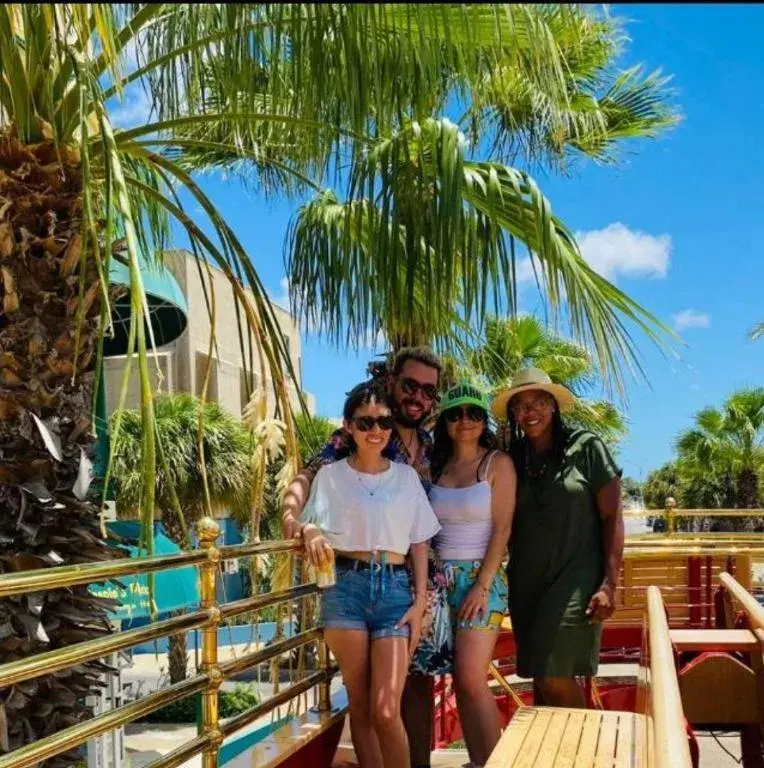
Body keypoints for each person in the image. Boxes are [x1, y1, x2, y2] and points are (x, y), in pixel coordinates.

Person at [281, 346, 451, 768]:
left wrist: (418, 599)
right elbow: (308, 483)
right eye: (410, 385)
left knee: (395, 701)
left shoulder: (432, 444)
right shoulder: (338, 460)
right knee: (365, 703)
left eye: (428, 390)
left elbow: (420, 538)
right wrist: (297, 520)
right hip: (349, 585)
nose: (419, 396)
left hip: (406, 588)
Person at [492, 367, 624, 708]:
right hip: (527, 582)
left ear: (553, 406)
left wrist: (610, 583)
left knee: (553, 673)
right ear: (513, 414)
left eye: (538, 402)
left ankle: (589, 753)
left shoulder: (587, 447)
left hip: (576, 578)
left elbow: (612, 516)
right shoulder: (512, 458)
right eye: (520, 406)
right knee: (541, 675)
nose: (529, 411)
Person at [429, 382, 516, 768]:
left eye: (474, 413)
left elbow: (502, 528)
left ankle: (495, 762)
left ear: (484, 421)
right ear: (445, 421)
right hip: (440, 580)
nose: (465, 421)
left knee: (469, 675)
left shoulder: (496, 463)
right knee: (456, 680)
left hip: (482, 579)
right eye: (456, 413)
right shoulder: (438, 466)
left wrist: (481, 585)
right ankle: (479, 760)